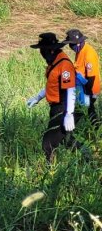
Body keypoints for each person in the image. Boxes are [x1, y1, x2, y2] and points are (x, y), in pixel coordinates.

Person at [26, 33, 77, 163]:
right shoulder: (53, 62)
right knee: (67, 140)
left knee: (47, 144)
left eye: (43, 50)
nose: (41, 53)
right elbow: (52, 85)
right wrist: (38, 97)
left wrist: (69, 114)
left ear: (51, 49)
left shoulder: (64, 65)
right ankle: (91, 160)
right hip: (55, 107)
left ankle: (49, 173)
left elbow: (70, 89)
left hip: (63, 108)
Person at [66, 29, 100, 126]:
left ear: (77, 44)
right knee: (90, 113)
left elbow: (91, 77)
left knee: (79, 112)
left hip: (88, 89)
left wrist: (87, 95)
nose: (70, 47)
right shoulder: (81, 50)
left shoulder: (89, 54)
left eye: (71, 44)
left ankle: (67, 133)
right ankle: (97, 133)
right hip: (82, 88)